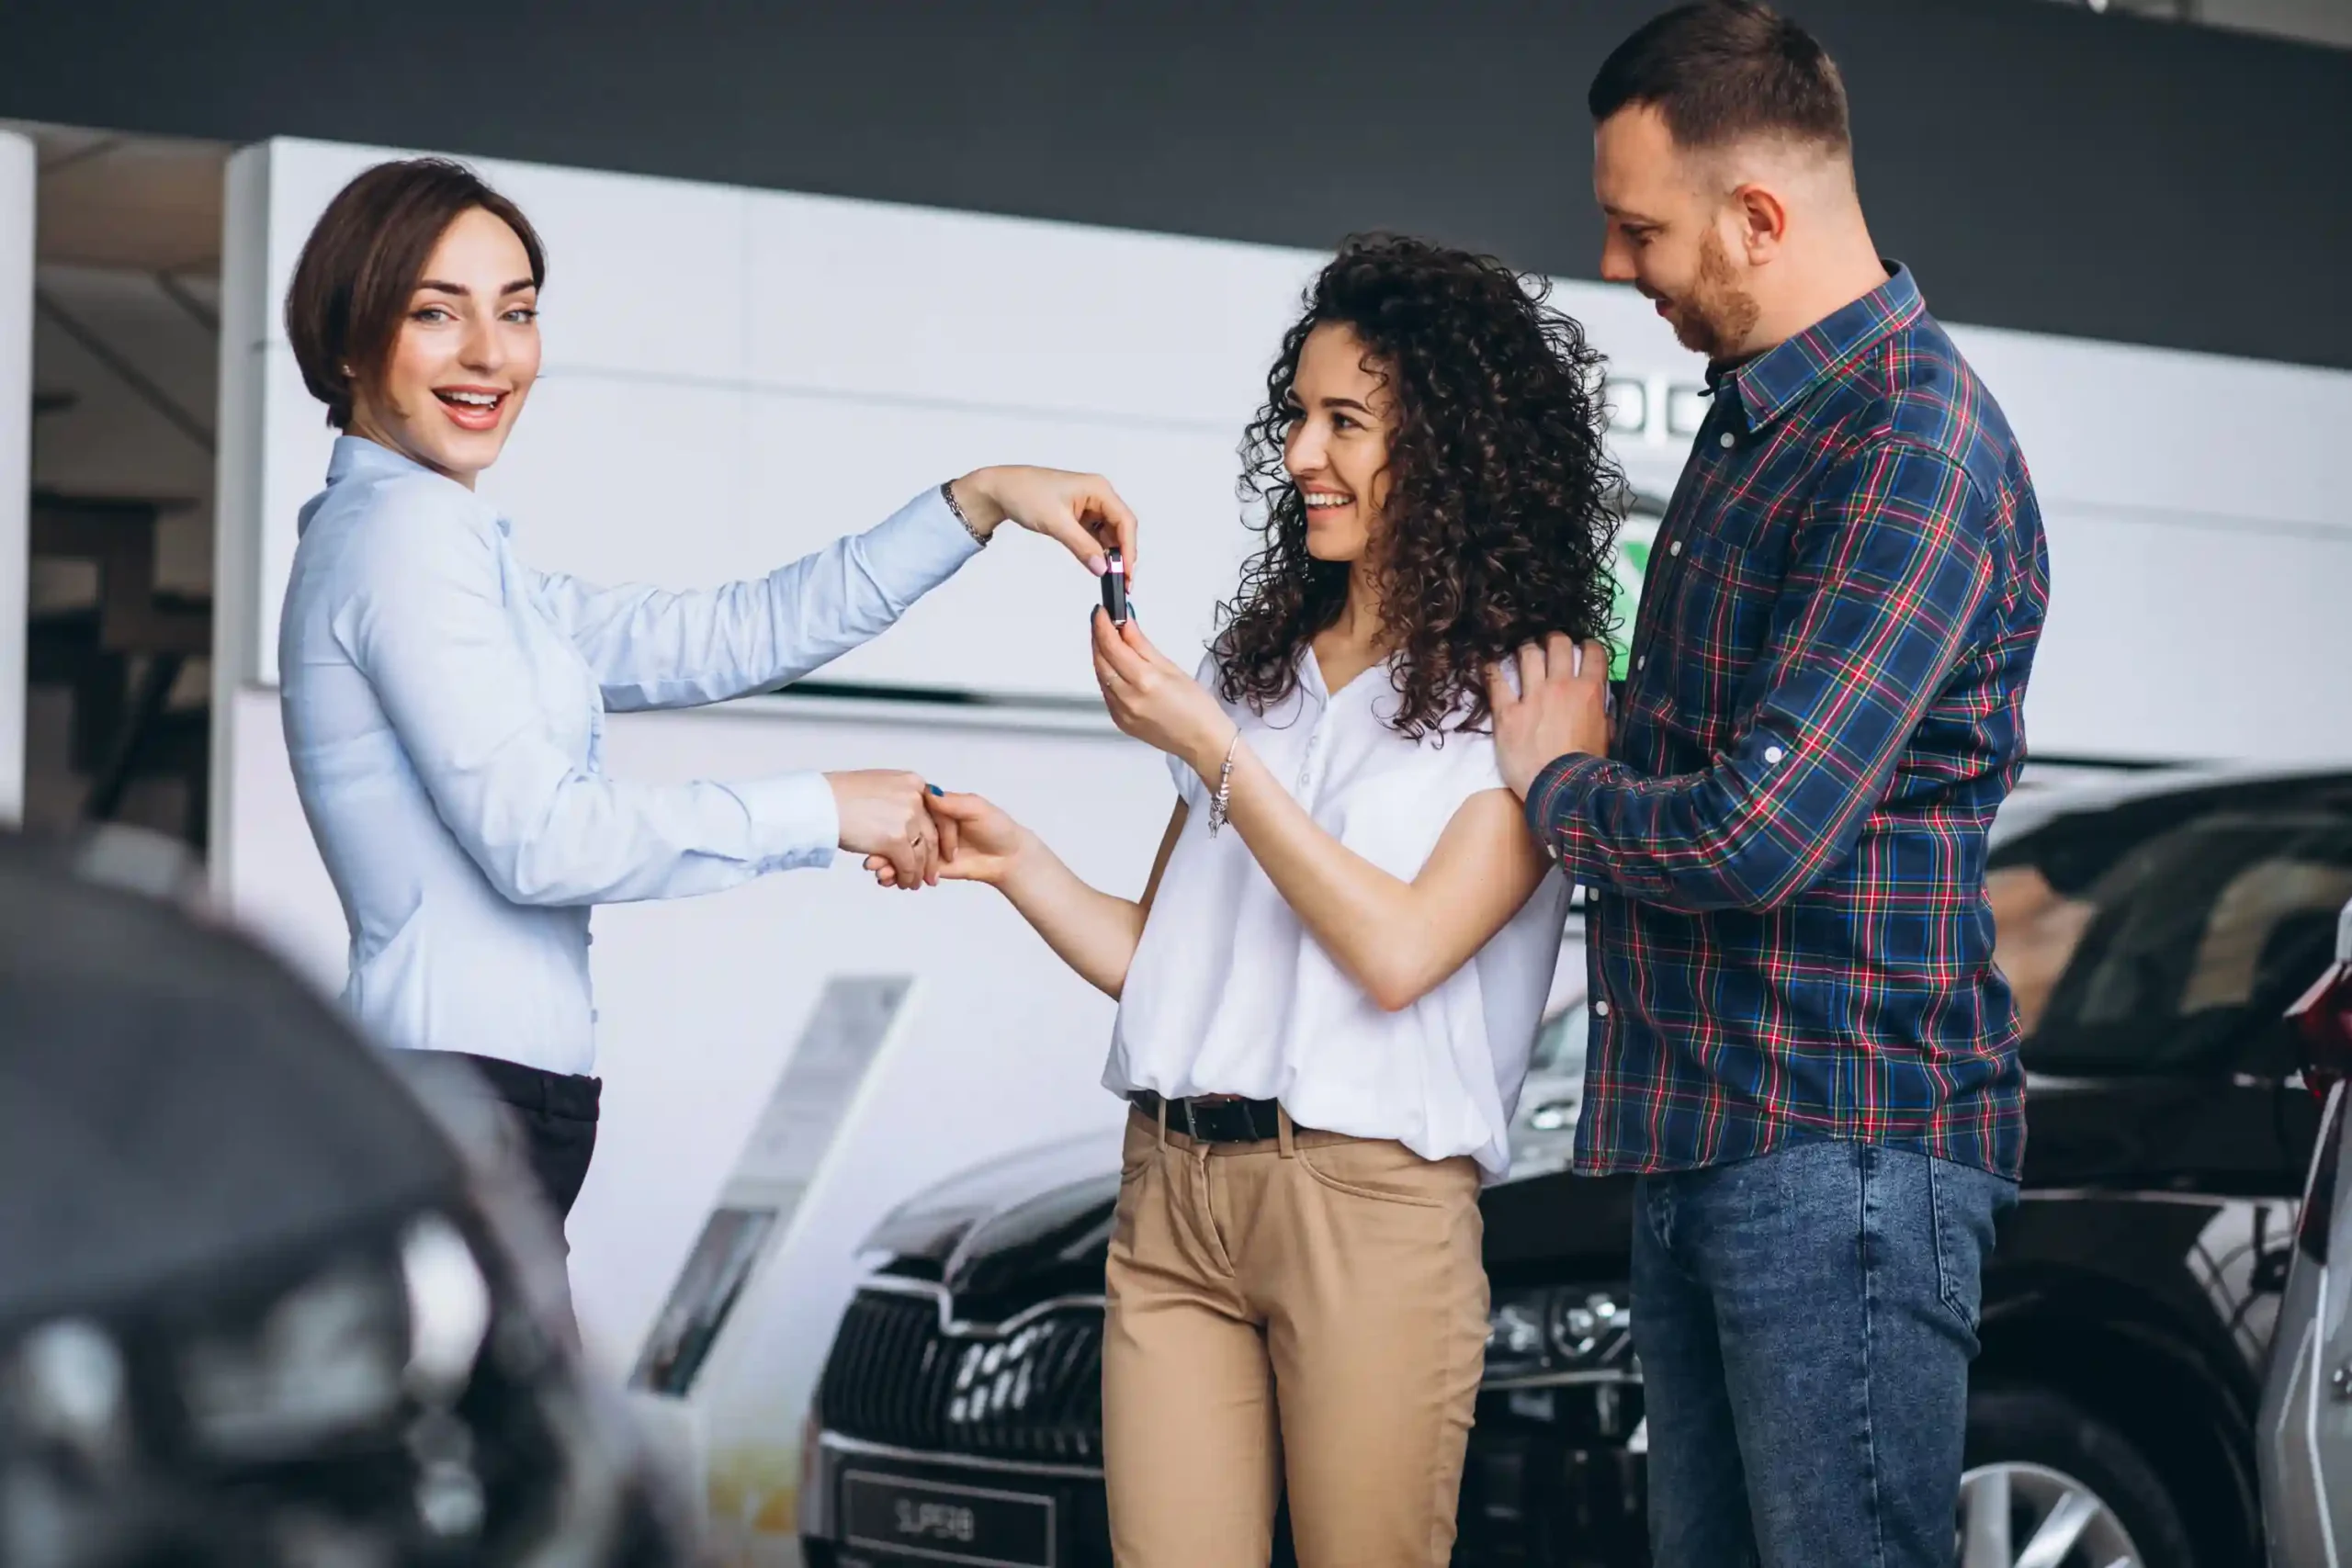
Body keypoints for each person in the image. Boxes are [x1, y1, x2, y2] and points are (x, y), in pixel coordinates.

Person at [871, 236, 1621, 1567]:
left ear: (1452, 449)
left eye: (1346, 422)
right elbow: (1163, 960)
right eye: (1296, 417)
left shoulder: (1535, 696)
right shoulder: (1257, 664)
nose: (1301, 457)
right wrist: (1016, 861)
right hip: (1170, 1193)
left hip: (1371, 1209)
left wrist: (1221, 753)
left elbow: (1400, 950)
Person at [277, 157, 1138, 1244]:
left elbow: (729, 635)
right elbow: (544, 841)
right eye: (436, 313)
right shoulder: (403, 543)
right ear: (351, 338)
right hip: (459, 1098)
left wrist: (979, 501)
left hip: (470, 1097)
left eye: (519, 311)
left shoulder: (439, 546)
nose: (491, 354)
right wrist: (825, 808)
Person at [1487, 6, 2051, 1566]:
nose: (1617, 268)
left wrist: (1561, 785)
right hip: (1718, 1141)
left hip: (1840, 1154)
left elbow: (1758, 830)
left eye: (1637, 229)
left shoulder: (1909, 445)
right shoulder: (1763, 428)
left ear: (1759, 215)